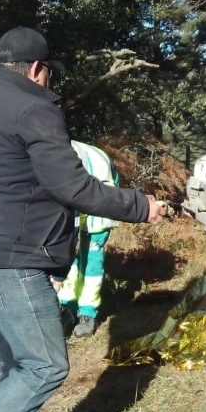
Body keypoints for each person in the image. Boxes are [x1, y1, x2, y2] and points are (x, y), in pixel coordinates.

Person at [0, 27, 168, 412]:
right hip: (6, 264)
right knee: (44, 367)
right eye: (49, 74)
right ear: (38, 69)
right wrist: (140, 206)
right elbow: (73, 186)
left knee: (14, 368)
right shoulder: (31, 108)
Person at [57, 140, 120, 338]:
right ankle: (68, 305)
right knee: (67, 253)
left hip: (100, 191)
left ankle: (87, 311)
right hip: (72, 194)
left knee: (91, 255)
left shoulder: (57, 155)